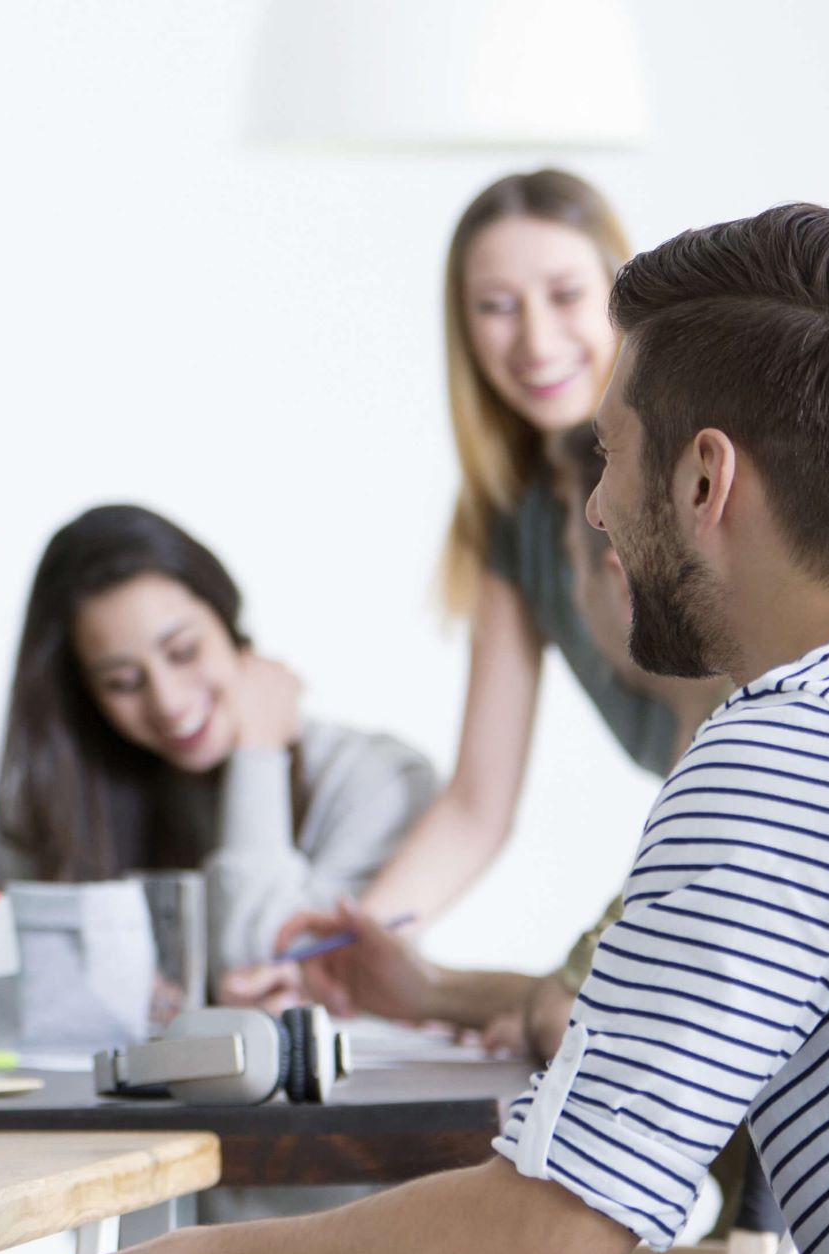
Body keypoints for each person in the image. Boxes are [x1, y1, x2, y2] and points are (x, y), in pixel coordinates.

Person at [53, 201, 829, 1254]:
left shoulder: (790, 757)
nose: (592, 508)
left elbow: (535, 1245)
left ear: (702, 480)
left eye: (611, 456)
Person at [329, 169, 701, 931]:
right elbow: (475, 807)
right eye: (496, 308)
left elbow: (726, 727)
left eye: (565, 296)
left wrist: (585, 974)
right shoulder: (517, 519)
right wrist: (347, 952)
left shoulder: (693, 471)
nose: (534, 339)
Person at [0, 505, 438, 1007]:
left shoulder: (382, 783)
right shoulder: (83, 800)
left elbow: (261, 964)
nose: (168, 702)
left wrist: (258, 753)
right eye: (122, 683)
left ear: (228, 622)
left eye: (183, 651)